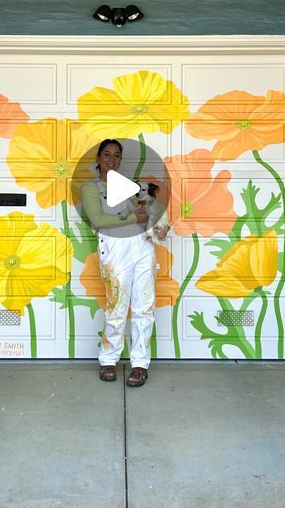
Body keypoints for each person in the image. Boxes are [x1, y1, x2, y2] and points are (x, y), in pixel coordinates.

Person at [81, 139, 169, 387]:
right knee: (116, 306)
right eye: (107, 154)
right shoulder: (92, 188)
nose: (112, 159)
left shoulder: (132, 186)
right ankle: (109, 360)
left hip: (143, 248)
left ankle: (140, 364)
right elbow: (98, 219)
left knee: (144, 307)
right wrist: (133, 217)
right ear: (98, 159)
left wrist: (161, 227)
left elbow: (153, 208)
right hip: (114, 250)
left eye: (117, 155)